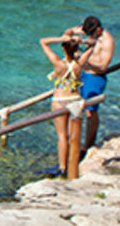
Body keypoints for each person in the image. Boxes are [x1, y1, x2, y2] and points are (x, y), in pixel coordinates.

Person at [67, 15, 115, 152]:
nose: (90, 36)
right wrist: (74, 38)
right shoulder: (87, 32)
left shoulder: (107, 41)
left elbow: (103, 66)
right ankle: (73, 140)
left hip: (94, 78)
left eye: (92, 34)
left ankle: (87, 145)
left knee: (90, 112)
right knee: (73, 106)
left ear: (99, 30)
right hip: (81, 75)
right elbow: (67, 33)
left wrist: (83, 61)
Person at [40, 34, 82, 177]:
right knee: (73, 135)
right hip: (75, 99)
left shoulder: (58, 64)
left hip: (60, 100)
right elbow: (93, 45)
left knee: (61, 136)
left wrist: (61, 38)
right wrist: (78, 40)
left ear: (64, 48)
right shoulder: (79, 63)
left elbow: (43, 42)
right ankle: (72, 163)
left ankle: (63, 167)